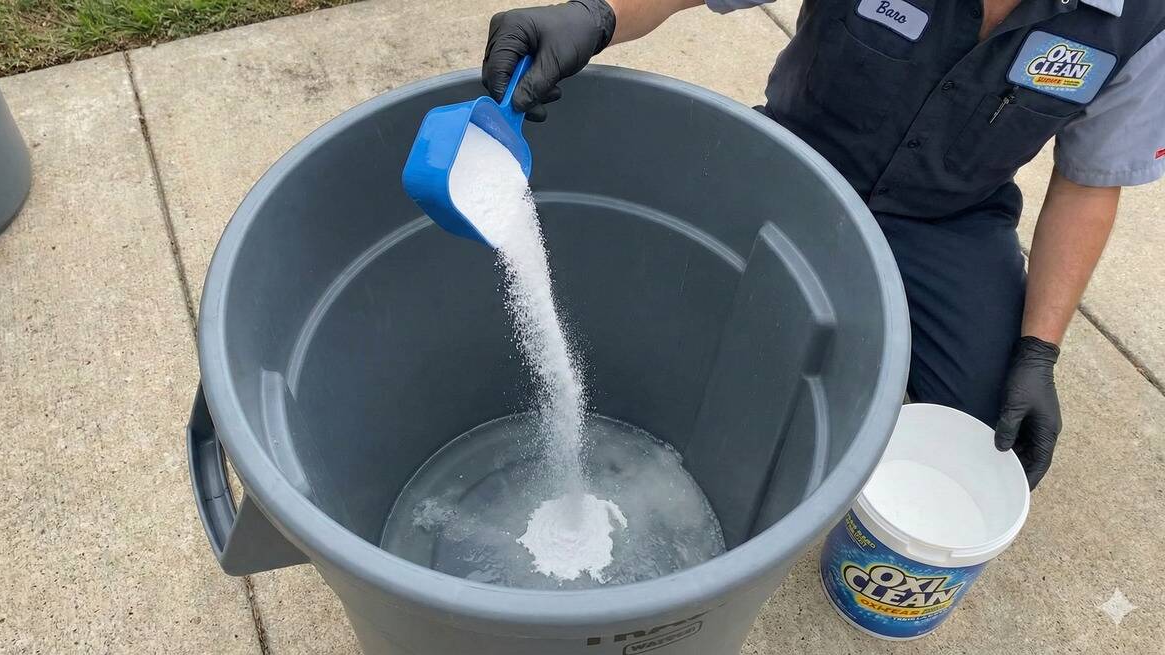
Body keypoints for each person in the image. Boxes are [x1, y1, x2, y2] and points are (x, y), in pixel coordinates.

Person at [480, 0, 1165, 490]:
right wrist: (595, 16)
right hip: (790, 168)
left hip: (947, 218)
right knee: (651, 313)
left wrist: (1039, 350)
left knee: (987, 442)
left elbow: (1088, 184)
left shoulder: (1142, 22)